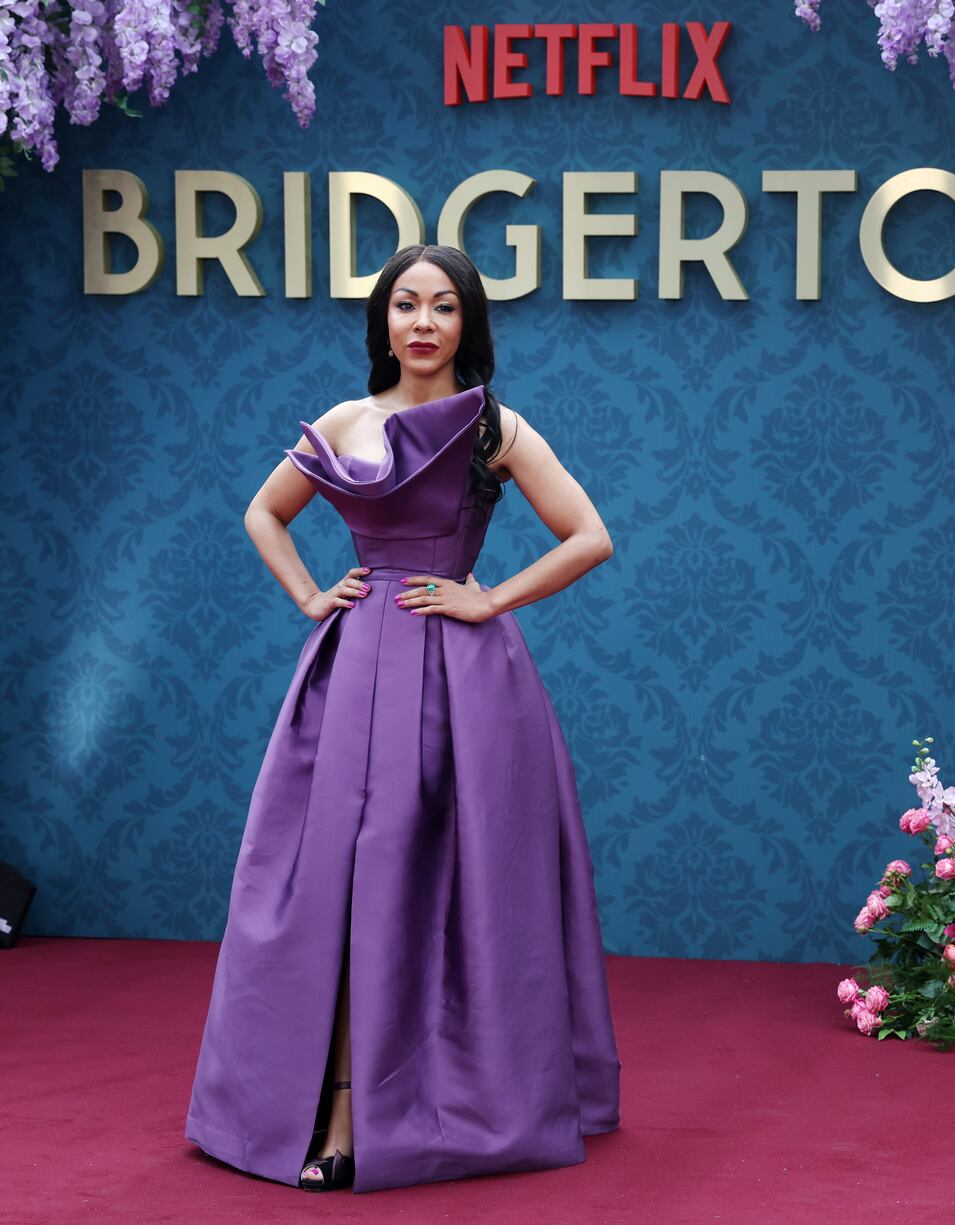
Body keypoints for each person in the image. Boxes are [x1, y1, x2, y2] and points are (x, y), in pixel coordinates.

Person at [185, 243, 622, 1193]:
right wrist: (309, 595)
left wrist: (487, 597)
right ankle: (336, 1106)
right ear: (383, 319)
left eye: (445, 307)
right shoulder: (347, 419)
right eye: (406, 305)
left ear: (470, 324)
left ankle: (425, 1101)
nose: (423, 323)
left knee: (456, 887)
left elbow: (590, 534)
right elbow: (265, 512)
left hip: (466, 681)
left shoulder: (494, 427)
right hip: (350, 677)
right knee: (338, 885)